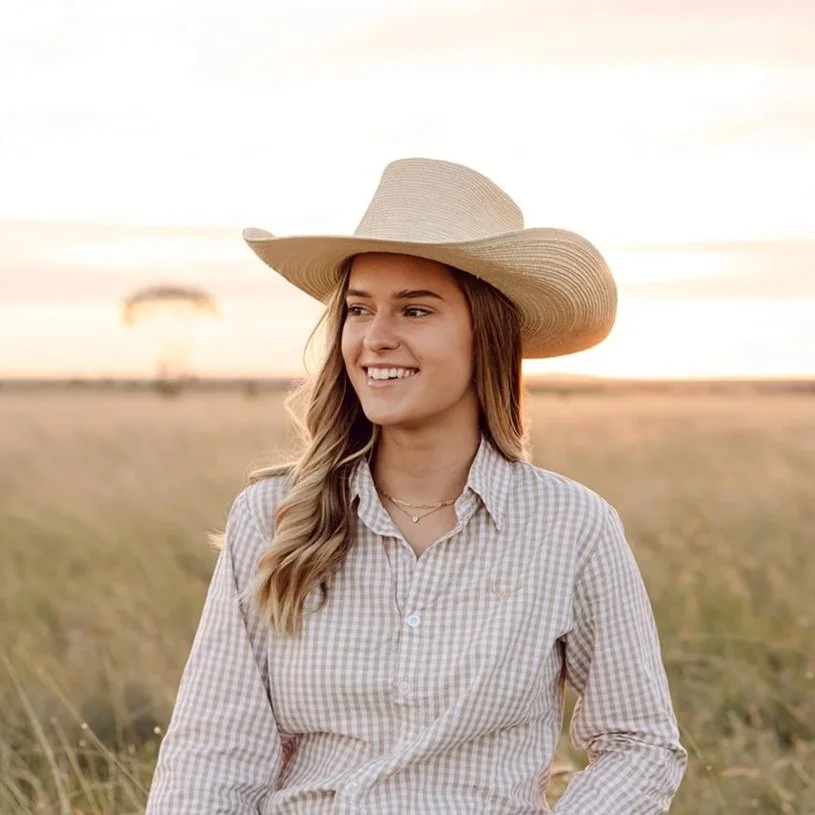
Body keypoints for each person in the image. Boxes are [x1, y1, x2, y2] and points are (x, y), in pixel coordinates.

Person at [145, 158, 687, 814]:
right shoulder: (272, 515)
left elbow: (639, 741)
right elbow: (212, 752)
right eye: (357, 309)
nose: (375, 338)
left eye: (415, 308)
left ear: (487, 333)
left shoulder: (571, 525)